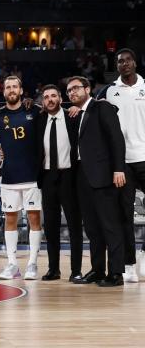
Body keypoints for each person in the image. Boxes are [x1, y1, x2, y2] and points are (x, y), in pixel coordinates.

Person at [68, 76, 126, 287]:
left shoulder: (102, 108)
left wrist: (118, 168)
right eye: (69, 91)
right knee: (92, 228)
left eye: (75, 88)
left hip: (104, 175)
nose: (72, 93)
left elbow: (116, 139)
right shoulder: (77, 115)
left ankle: (116, 273)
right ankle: (98, 269)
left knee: (110, 226)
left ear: (87, 89)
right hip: (83, 177)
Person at [97, 48, 145, 282]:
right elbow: (91, 111)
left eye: (127, 60)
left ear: (135, 63)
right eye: (119, 62)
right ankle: (130, 264)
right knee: (124, 214)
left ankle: (144, 254)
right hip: (122, 162)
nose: (124, 64)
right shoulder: (109, 91)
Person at [0, 75, 42, 280]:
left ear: (21, 91)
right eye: (8, 87)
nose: (11, 90)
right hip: (9, 174)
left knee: (34, 218)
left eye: (15, 87)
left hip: (32, 174)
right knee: (10, 219)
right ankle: (12, 264)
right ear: (4, 92)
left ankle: (32, 264)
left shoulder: (34, 110)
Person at [37, 84, 83, 282]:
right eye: (46, 97)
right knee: (51, 227)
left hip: (69, 176)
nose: (50, 99)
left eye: (53, 96)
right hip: (47, 177)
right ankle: (53, 269)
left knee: (74, 226)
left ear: (60, 98)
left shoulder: (73, 116)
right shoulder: (39, 119)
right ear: (43, 101)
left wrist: (81, 107)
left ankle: (76, 270)